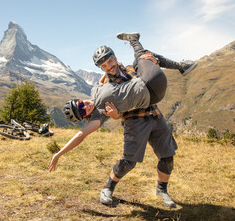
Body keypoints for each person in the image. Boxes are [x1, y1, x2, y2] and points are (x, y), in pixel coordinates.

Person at [49, 32, 197, 208]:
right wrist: (58, 154)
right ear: (84, 116)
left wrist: (152, 62)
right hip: (135, 121)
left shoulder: (119, 73)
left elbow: (139, 73)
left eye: (80, 103)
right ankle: (108, 188)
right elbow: (81, 135)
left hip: (154, 113)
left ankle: (162, 190)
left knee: (167, 156)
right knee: (129, 161)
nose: (84, 106)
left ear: (114, 57)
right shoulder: (101, 107)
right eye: (82, 110)